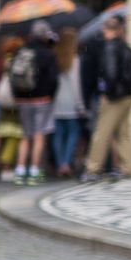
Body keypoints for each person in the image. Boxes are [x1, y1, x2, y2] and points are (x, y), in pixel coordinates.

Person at [82, 15, 131, 180]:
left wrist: (108, 93)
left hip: (114, 98)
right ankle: (128, 167)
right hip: (129, 96)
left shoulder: (110, 48)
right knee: (123, 132)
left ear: (107, 29)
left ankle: (93, 168)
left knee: (102, 132)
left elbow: (110, 73)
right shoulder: (127, 48)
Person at [6, 21, 59, 183]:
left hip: (22, 99)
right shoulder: (47, 54)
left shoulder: (20, 51)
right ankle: (35, 170)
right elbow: (53, 79)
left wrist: (16, 96)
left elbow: (12, 76)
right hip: (42, 100)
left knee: (25, 135)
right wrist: (50, 95)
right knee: (38, 135)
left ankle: (20, 170)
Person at [49, 28, 86, 178]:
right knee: (72, 134)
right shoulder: (75, 60)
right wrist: (80, 104)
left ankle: (59, 164)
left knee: (57, 135)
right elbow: (76, 84)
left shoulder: (54, 57)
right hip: (70, 102)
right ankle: (66, 162)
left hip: (56, 103)